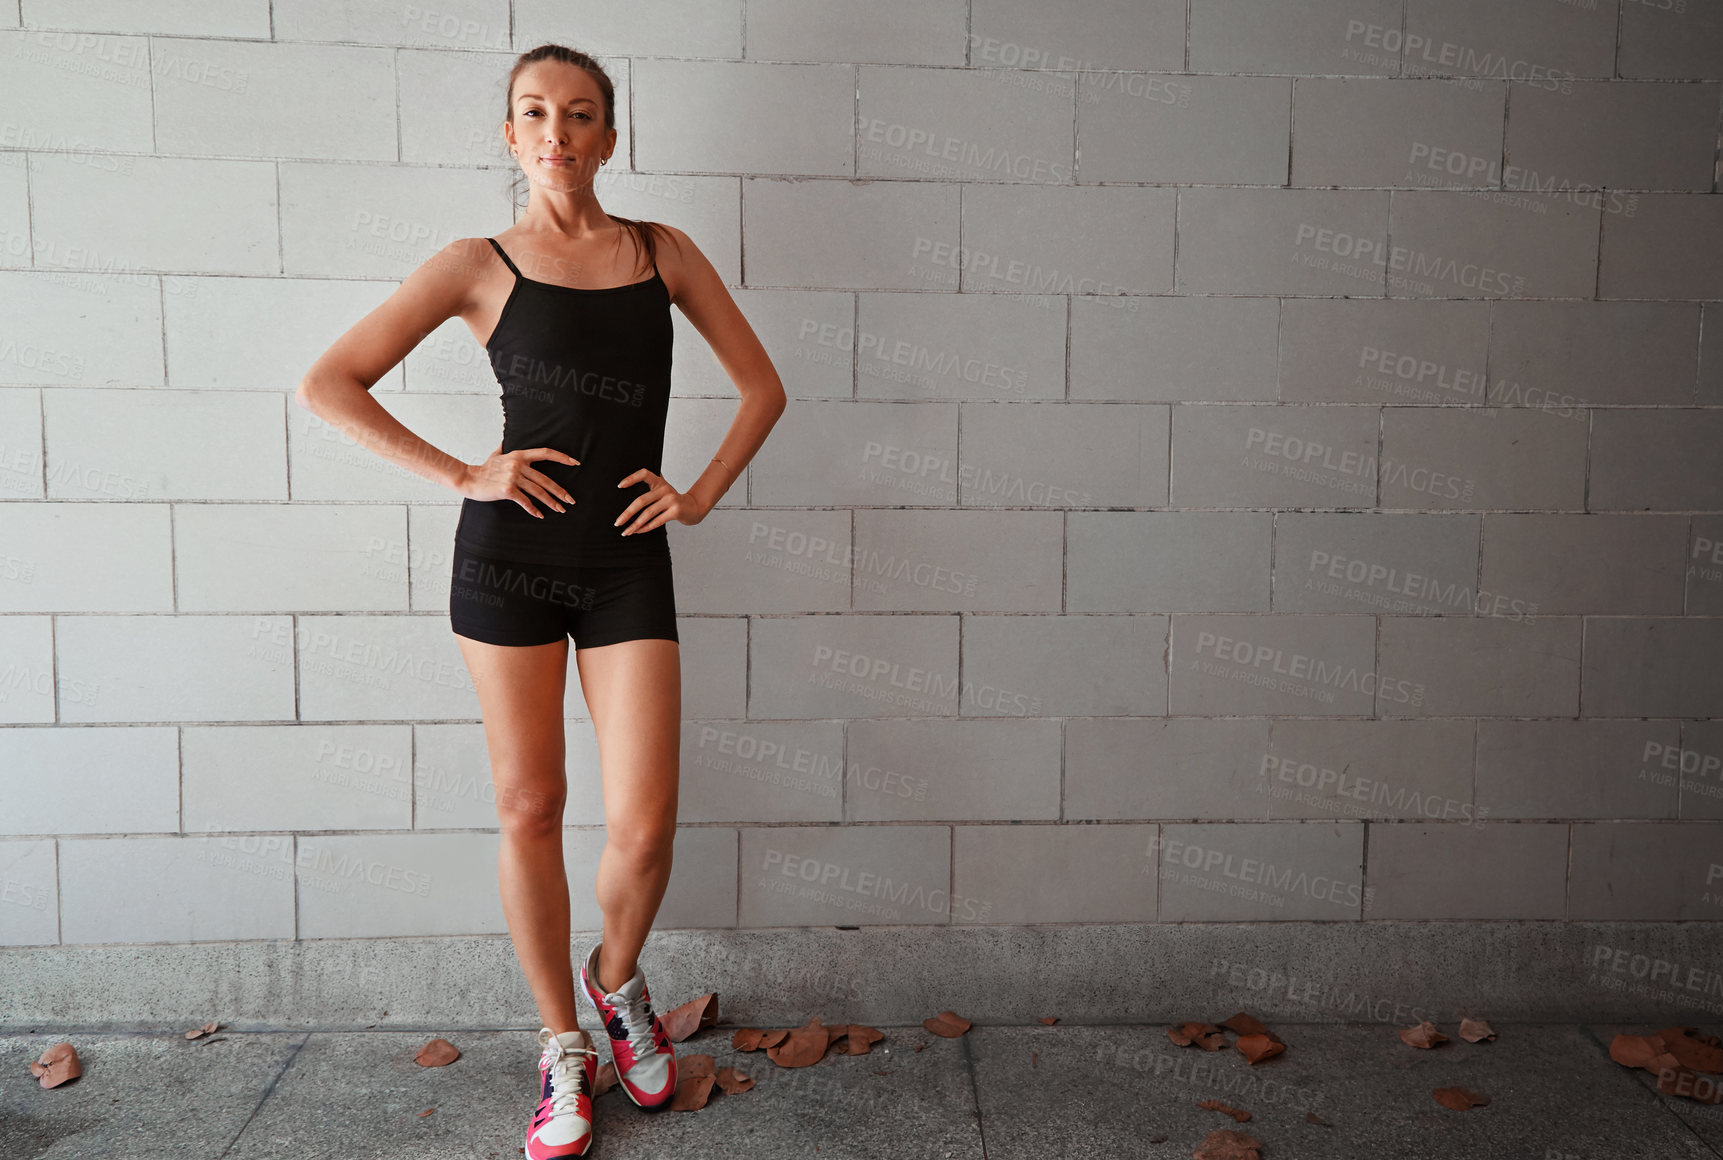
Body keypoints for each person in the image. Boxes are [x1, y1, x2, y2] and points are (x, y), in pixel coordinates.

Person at [295, 43, 786, 1159]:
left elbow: (763, 385)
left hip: (624, 561)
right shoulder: (476, 263)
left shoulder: (663, 253)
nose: (556, 133)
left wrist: (698, 493)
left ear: (609, 136)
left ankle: (615, 982)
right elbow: (328, 381)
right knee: (530, 804)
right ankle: (560, 1042)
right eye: (533, 114)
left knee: (647, 825)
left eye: (578, 114)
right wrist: (466, 470)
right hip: (505, 562)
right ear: (509, 137)